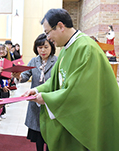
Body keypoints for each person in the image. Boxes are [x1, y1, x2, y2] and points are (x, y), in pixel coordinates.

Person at [22, 8, 119, 151]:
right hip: (70, 117)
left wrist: (46, 99)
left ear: (61, 26)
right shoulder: (67, 49)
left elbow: (79, 92)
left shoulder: (86, 48)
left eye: (48, 32)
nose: (47, 38)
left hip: (83, 121)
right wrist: (37, 89)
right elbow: (55, 80)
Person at [13, 33, 57, 151]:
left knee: (50, 132)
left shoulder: (57, 61)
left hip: (50, 102)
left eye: (46, 47)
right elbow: (25, 76)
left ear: (52, 47)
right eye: (40, 47)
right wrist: (18, 76)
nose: (43, 50)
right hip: (35, 103)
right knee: (38, 134)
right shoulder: (34, 61)